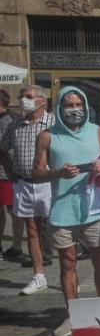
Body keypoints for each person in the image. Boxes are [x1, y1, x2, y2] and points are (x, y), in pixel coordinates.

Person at [33, 86, 100, 336]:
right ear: (59, 108)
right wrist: (57, 172)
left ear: (85, 106)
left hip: (94, 209)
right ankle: (73, 315)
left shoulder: (99, 132)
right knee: (67, 263)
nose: (74, 109)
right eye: (68, 105)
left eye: (78, 104)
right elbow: (36, 173)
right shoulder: (48, 136)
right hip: (62, 210)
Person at [0, 85, 54, 295]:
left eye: (29, 97)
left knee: (58, 230)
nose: (23, 100)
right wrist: (10, 172)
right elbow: (3, 150)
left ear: (41, 100)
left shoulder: (53, 123)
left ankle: (69, 274)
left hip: (48, 184)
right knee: (31, 231)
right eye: (22, 96)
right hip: (23, 183)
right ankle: (39, 276)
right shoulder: (15, 125)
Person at [0, 89, 24, 261]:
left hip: (6, 173)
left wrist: (11, 171)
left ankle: (16, 246)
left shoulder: (11, 120)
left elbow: (10, 149)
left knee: (13, 210)